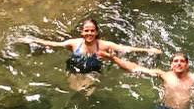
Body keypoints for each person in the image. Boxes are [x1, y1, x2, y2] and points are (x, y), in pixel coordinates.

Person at [22, 18, 160, 89]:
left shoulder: (104, 45)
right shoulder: (74, 43)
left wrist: (148, 51)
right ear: (82, 32)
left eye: (92, 31)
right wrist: (33, 40)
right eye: (86, 31)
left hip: (93, 72)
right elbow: (54, 45)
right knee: (75, 90)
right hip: (74, 70)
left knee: (87, 93)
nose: (89, 33)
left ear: (96, 32)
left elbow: (125, 48)